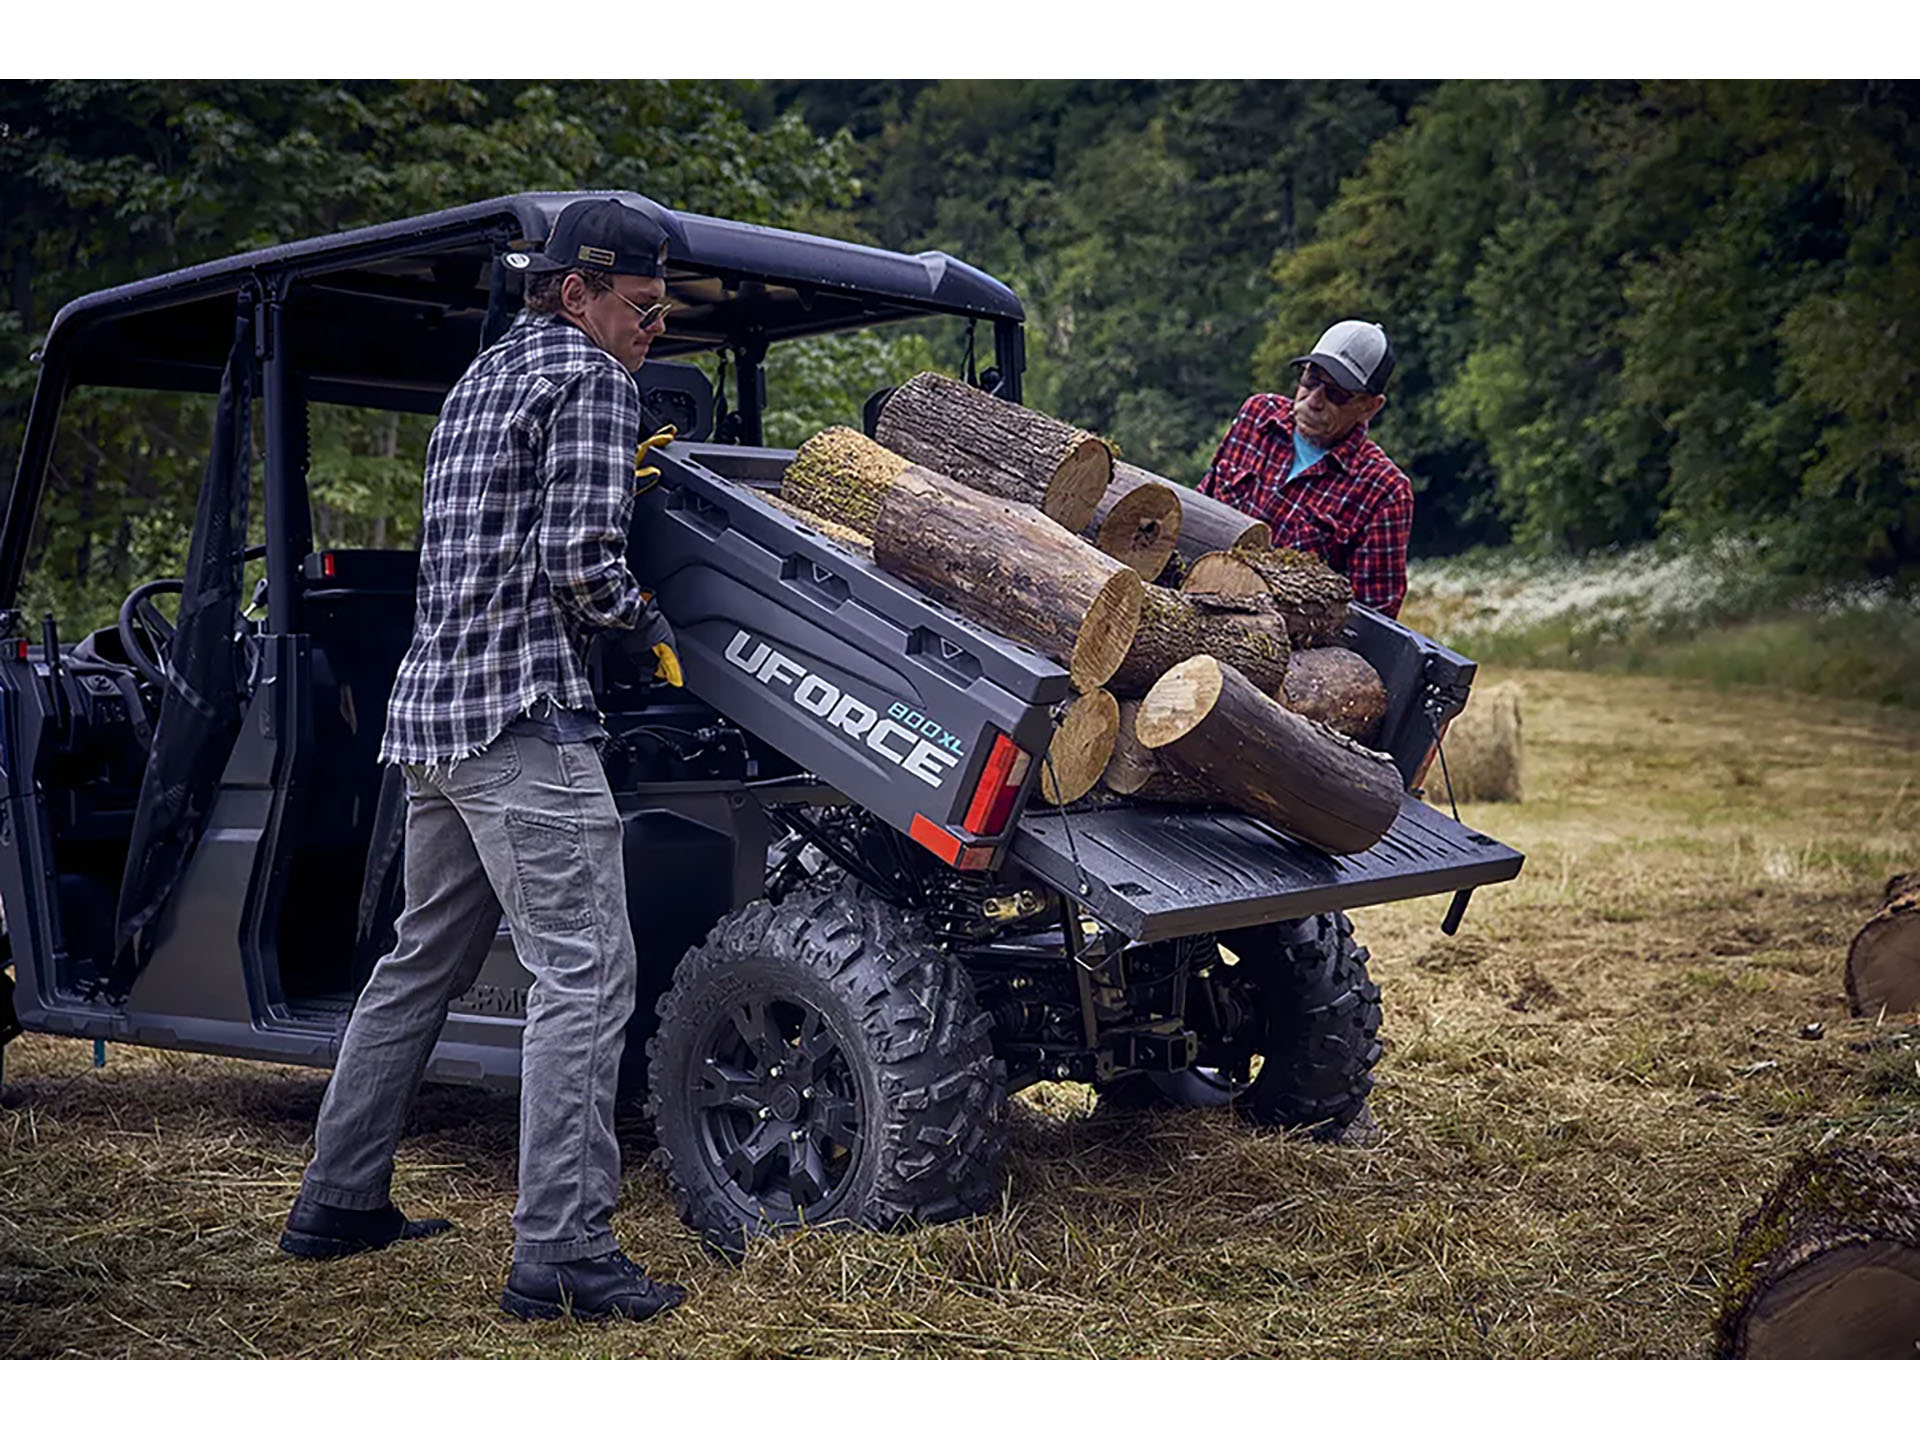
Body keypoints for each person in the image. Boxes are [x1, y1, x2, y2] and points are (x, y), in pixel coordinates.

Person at [279, 197, 686, 1324]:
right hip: (520, 719)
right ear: (576, 292)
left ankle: (337, 1200)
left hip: (433, 719)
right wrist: (654, 629)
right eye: (642, 305)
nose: (656, 327)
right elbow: (577, 559)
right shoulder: (594, 383)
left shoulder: (482, 379)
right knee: (588, 977)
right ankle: (560, 1249)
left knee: (417, 965)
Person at [1199, 319, 1414, 618]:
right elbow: (1201, 505)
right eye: (1311, 380)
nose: (1314, 400)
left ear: (1369, 406)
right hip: (1193, 598)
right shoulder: (1257, 416)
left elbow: (1372, 619)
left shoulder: (1384, 490)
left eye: (1336, 393)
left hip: (1280, 645)